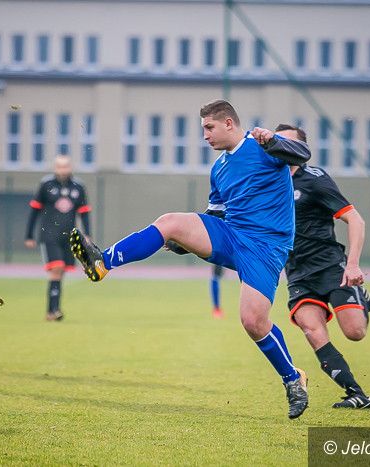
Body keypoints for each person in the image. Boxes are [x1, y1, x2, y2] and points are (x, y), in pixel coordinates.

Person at [70, 99, 311, 419]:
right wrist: (183, 242)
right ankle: (102, 263)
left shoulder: (263, 145)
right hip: (232, 234)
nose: (205, 136)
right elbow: (215, 214)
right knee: (170, 222)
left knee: (253, 322)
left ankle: (293, 378)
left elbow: (303, 155)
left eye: (209, 128)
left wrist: (273, 140)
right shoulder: (219, 169)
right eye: (203, 129)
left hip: (266, 246)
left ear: (229, 123)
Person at [275, 123, 370, 409]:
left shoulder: (315, 180)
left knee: (355, 332)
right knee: (312, 330)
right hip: (298, 274)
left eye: (289, 142)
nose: (281, 147)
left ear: (301, 150)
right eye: (277, 141)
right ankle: (356, 394)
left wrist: (352, 265)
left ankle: (362, 299)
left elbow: (355, 219)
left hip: (330, 267)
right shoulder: (266, 180)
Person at [25, 155, 91, 321]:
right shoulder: (46, 185)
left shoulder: (78, 187)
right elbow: (34, 211)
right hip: (49, 235)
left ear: (70, 167)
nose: (63, 170)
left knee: (60, 273)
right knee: (57, 268)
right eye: (60, 166)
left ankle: (51, 312)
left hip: (68, 237)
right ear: (55, 168)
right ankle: (54, 310)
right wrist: (29, 235)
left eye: (65, 166)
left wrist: (87, 234)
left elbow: (84, 213)